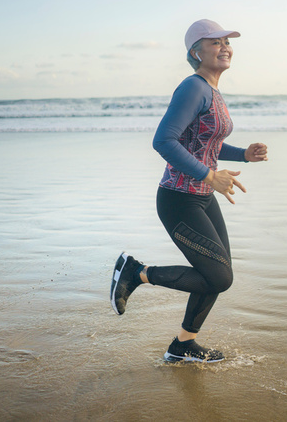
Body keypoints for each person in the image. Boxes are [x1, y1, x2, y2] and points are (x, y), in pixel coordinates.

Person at [110, 19, 268, 363]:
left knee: (216, 273)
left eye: (227, 41)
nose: (225, 46)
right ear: (196, 52)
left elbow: (203, 143)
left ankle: (183, 344)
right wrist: (211, 176)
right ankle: (136, 272)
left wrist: (243, 155)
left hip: (201, 198)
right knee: (219, 276)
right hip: (178, 199)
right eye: (215, 42)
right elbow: (163, 141)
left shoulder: (211, 90)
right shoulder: (193, 87)